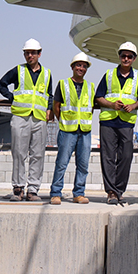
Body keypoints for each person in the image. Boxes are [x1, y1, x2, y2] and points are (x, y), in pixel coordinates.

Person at [0, 38, 52, 201]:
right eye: (27, 53)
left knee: (38, 154)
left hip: (39, 118)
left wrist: (49, 109)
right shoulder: (18, 71)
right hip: (20, 116)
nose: (30, 56)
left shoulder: (47, 74)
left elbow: (49, 95)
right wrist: (11, 97)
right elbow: (1, 84)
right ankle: (18, 188)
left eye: (33, 53)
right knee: (19, 153)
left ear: (39, 54)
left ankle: (33, 189)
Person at [95, 41, 138, 205]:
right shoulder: (109, 75)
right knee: (108, 157)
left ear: (134, 58)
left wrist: (133, 106)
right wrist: (111, 105)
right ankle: (111, 192)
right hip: (108, 121)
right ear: (119, 56)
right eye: (123, 56)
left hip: (126, 122)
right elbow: (98, 97)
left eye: (129, 56)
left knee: (126, 157)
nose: (126, 59)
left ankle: (119, 190)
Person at [49, 52, 95, 204]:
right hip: (67, 131)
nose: (81, 68)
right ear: (72, 67)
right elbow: (56, 106)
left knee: (83, 164)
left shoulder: (90, 87)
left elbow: (91, 108)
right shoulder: (63, 84)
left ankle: (79, 193)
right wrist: (63, 120)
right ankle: (56, 193)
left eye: (84, 66)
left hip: (85, 131)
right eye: (78, 65)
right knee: (61, 163)